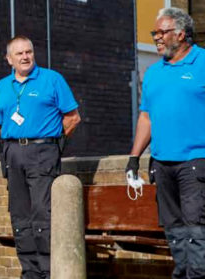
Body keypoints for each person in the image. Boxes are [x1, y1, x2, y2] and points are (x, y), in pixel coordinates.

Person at [0, 35, 81, 279]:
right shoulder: (2, 86)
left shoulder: (52, 80)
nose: (25, 57)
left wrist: (51, 142)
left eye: (28, 52)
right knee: (19, 215)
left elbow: (73, 118)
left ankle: (47, 270)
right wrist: (18, 142)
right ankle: (30, 272)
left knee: (43, 213)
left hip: (43, 151)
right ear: (9, 59)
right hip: (12, 152)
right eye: (19, 54)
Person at [127, 7, 205, 278]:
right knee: (173, 227)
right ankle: (182, 273)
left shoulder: (202, 63)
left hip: (196, 161)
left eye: (162, 32)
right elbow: (146, 117)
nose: (157, 38)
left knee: (196, 227)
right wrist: (134, 157)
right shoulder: (154, 73)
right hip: (162, 163)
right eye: (154, 33)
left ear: (181, 34)